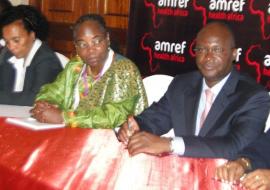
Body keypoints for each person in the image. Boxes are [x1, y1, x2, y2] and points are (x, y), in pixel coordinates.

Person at [117, 21, 270, 159]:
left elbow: (236, 146)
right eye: (201, 49)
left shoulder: (253, 96)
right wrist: (137, 126)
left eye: (216, 49)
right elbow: (157, 117)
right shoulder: (182, 84)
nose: (208, 57)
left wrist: (170, 144)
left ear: (234, 54)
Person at [30, 14, 147, 128]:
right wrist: (45, 103)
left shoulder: (124, 69)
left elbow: (115, 116)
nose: (90, 50)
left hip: (114, 140)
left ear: (107, 39)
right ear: (75, 46)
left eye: (96, 42)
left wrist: (64, 117)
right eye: (82, 44)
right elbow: (54, 91)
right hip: (72, 134)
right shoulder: (76, 66)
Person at [0, 5, 63, 106]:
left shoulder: (47, 60)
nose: (11, 47)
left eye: (16, 40)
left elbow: (35, 99)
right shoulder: (8, 56)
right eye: (7, 41)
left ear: (32, 35)